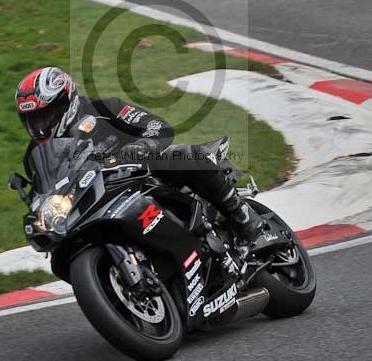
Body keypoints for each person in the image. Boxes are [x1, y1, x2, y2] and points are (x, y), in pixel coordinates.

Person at [15, 66, 263, 244]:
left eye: (46, 115)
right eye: (33, 119)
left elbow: (156, 126)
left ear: (65, 102)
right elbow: (47, 190)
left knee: (184, 155)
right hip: (97, 201)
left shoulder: (102, 108)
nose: (40, 126)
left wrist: (143, 146)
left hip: (144, 174)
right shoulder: (34, 155)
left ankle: (241, 214)